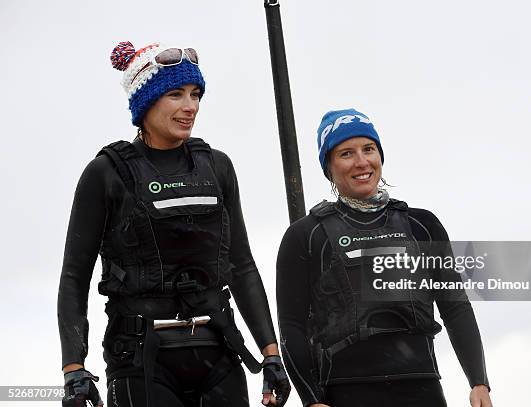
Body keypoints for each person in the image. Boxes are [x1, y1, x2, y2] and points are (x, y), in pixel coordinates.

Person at [58, 41, 290, 407]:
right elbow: (74, 276)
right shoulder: (105, 173)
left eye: (196, 94)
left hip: (217, 351)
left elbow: (241, 265)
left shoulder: (217, 166)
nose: (190, 107)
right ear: (145, 101)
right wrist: (74, 368)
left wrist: (271, 353)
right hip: (140, 358)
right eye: (176, 94)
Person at [276, 109, 493, 407]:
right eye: (346, 153)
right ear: (329, 166)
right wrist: (311, 400)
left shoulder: (421, 226)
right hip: (345, 391)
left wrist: (479, 382)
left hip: (422, 388)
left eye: (369, 149)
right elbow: (291, 325)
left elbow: (455, 308)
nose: (362, 162)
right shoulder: (306, 235)